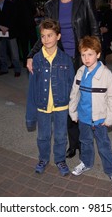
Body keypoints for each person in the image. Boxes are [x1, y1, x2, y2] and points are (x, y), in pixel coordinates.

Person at [26, 0, 101, 158]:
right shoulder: (50, 6)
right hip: (61, 64)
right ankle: (73, 143)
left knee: (85, 104)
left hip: (83, 60)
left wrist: (98, 64)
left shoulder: (85, 0)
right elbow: (45, 35)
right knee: (66, 105)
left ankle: (85, 142)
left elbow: (95, 32)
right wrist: (31, 55)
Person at [69, 36, 112, 188]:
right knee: (85, 142)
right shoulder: (80, 72)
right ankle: (86, 163)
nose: (86, 58)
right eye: (83, 54)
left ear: (98, 54)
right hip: (84, 118)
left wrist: (110, 119)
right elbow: (74, 94)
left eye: (90, 54)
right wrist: (73, 113)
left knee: (104, 146)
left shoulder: (106, 74)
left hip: (100, 119)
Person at [25, 18, 75, 176]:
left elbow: (73, 86)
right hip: (42, 106)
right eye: (43, 36)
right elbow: (32, 88)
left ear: (58, 36)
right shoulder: (36, 60)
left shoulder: (66, 60)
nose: (46, 39)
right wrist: (30, 115)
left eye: (50, 35)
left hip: (61, 106)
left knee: (61, 136)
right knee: (43, 136)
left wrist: (74, 109)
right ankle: (43, 158)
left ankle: (60, 159)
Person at [13, 0, 37, 67]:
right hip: (30, 24)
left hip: (20, 26)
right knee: (34, 44)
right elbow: (33, 10)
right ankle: (35, 61)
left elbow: (14, 15)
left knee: (24, 45)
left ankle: (25, 62)